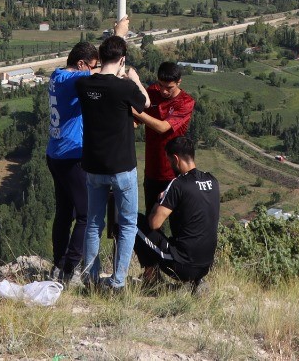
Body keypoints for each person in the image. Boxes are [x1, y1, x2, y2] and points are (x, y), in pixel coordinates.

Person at [75, 27, 148, 290]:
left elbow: (92, 76)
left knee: (94, 222)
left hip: (93, 165)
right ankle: (117, 282)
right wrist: (134, 79)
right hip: (122, 167)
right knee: (127, 224)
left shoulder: (83, 85)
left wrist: (111, 70)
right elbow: (145, 103)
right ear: (122, 60)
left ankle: (91, 278)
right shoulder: (125, 87)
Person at [134, 134, 220, 288]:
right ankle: (197, 281)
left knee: (133, 222)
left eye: (169, 161)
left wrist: (160, 200)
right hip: (206, 265)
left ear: (175, 158)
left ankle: (151, 277)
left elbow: (154, 224)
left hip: (183, 266)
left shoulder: (178, 184)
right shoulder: (212, 180)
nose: (170, 165)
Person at [45, 39, 99, 281]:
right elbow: (101, 73)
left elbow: (94, 69)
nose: (91, 71)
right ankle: (69, 267)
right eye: (90, 66)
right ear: (80, 64)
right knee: (86, 214)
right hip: (71, 155)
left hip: (55, 153)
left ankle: (58, 262)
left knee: (64, 212)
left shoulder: (57, 76)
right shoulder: (71, 80)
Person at [134, 60, 195, 214]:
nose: (164, 91)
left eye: (169, 87)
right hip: (152, 171)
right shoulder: (152, 92)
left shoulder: (186, 102)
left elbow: (163, 127)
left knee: (178, 222)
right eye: (161, 85)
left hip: (175, 173)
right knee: (151, 220)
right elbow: (135, 123)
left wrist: (135, 111)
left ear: (179, 82)